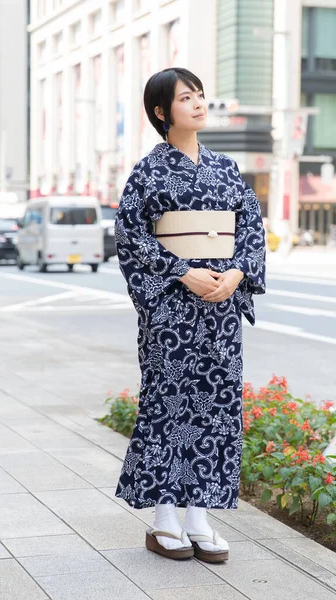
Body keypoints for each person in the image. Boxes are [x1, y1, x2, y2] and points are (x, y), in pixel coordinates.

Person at [114, 67, 266, 563]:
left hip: (220, 305)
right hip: (173, 309)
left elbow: (250, 225)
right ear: (162, 112)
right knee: (168, 406)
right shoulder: (148, 172)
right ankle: (163, 521)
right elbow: (131, 235)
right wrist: (181, 272)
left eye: (200, 95)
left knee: (217, 409)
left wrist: (239, 273)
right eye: (186, 97)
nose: (199, 103)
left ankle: (200, 518)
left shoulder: (225, 168)